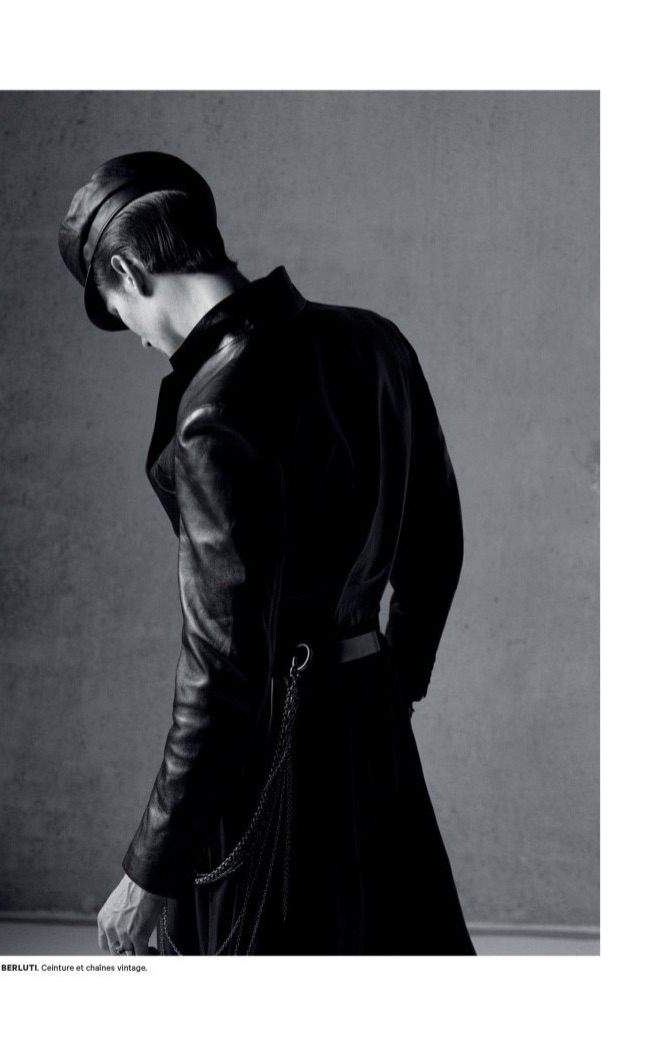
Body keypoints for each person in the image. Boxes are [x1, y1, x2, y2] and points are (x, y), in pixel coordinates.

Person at [58, 151, 476, 956]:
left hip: (273, 761)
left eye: (118, 311)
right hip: (375, 730)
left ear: (128, 270)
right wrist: (392, 685)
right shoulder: (376, 343)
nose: (136, 338)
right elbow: (437, 542)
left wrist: (151, 869)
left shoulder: (214, 410)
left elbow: (222, 662)